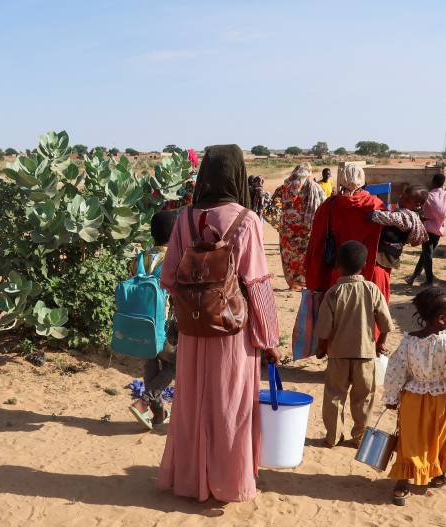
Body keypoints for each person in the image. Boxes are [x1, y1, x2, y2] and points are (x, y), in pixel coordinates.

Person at [158, 144, 281, 503]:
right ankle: (228, 481)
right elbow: (257, 285)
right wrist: (268, 337)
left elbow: (169, 278)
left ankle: (192, 480)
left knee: (193, 401)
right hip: (233, 329)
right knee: (231, 405)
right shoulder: (247, 219)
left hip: (194, 328)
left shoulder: (183, 218)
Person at [383, 286, 446, 506]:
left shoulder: (408, 341)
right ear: (442, 319)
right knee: (443, 437)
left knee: (410, 440)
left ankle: (402, 484)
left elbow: (395, 370)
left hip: (412, 399)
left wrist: (391, 398)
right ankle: (441, 473)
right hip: (444, 400)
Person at [315, 241, 393, 447]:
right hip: (365, 354)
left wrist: (322, 348)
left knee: (334, 395)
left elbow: (323, 329)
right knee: (364, 398)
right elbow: (385, 323)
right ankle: (360, 438)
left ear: (338, 265)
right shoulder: (372, 289)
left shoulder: (333, 293)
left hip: (338, 355)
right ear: (365, 264)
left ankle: (333, 436)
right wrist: (380, 344)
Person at [304, 163, 387, 299]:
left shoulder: (328, 205)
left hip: (336, 274)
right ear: (364, 182)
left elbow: (317, 242)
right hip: (368, 274)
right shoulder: (376, 205)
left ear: (341, 181)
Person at [129, 210, 179, 429]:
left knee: (151, 363)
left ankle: (158, 414)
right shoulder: (175, 259)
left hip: (140, 322)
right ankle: (144, 402)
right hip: (165, 324)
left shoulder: (140, 258)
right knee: (176, 363)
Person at [275, 163, 326, 290]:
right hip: (306, 231)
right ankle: (304, 284)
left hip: (287, 231)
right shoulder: (314, 187)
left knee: (289, 257)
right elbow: (324, 205)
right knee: (304, 257)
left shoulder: (285, 186)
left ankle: (293, 284)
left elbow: (275, 203)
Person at [407, 173, 446, 286]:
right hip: (439, 229)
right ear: (443, 183)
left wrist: (420, 217)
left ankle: (429, 280)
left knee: (427, 254)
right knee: (427, 253)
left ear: (433, 182)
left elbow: (419, 209)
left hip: (427, 228)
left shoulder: (427, 195)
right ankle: (414, 276)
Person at [370, 185, 429, 276]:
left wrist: (371, 214)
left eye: (406, 200)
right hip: (389, 252)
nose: (400, 199)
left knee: (379, 276)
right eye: (402, 196)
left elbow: (389, 217)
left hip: (386, 254)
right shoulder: (411, 214)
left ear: (417, 205)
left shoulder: (406, 216)